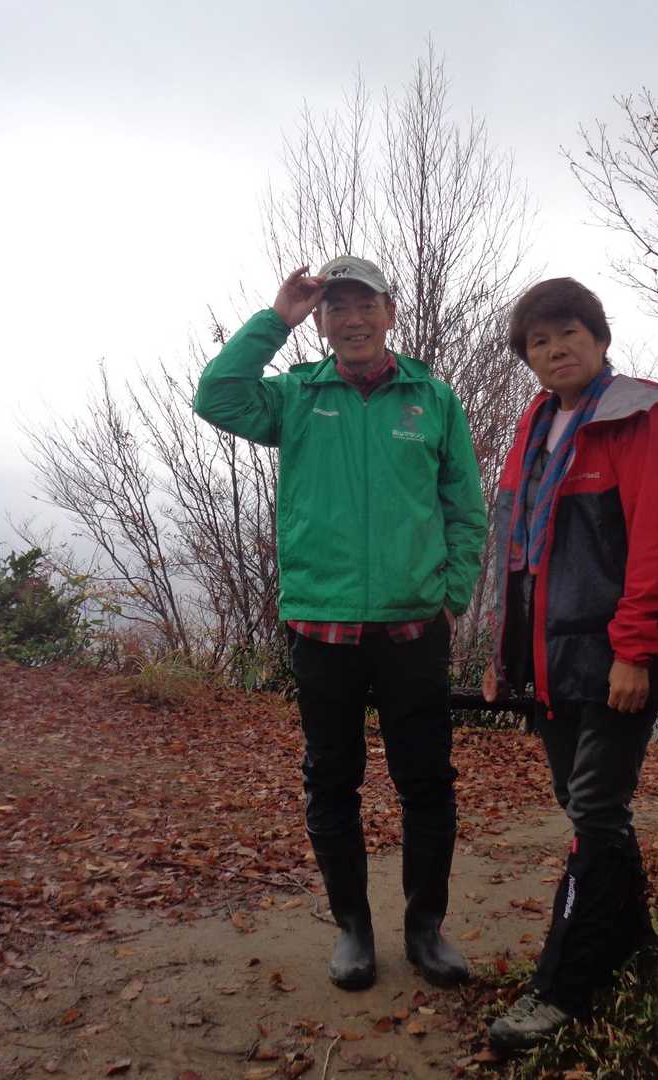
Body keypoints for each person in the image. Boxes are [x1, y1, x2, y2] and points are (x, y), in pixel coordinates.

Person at [193, 256, 487, 991]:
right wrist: (277, 319)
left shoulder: (433, 398)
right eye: (338, 308)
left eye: (366, 305)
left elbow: (465, 506)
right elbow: (216, 396)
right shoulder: (295, 396)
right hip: (321, 626)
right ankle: (353, 929)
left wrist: (450, 592)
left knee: (427, 783)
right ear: (322, 323)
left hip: (414, 629)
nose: (353, 320)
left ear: (390, 312)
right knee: (332, 782)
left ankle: (425, 930)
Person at [482, 277, 658, 1051]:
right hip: (548, 657)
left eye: (569, 332)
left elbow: (655, 539)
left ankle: (562, 986)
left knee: (594, 809)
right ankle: (631, 941)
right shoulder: (535, 426)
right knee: (587, 806)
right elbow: (515, 553)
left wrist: (635, 651)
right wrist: (503, 653)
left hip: (614, 658)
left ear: (599, 338)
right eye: (539, 340)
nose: (555, 348)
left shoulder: (641, 414)